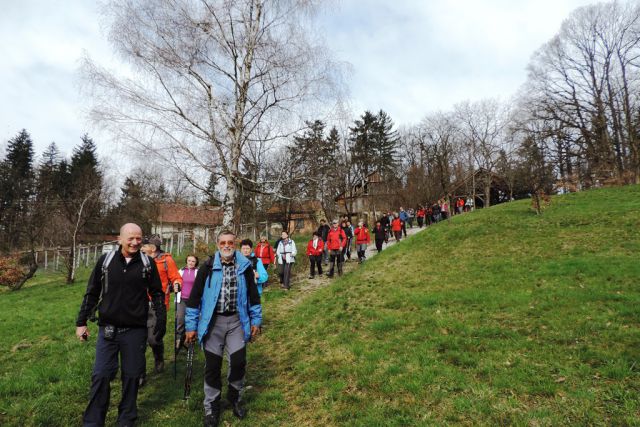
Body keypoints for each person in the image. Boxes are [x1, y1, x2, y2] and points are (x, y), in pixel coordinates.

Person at [76, 223, 165, 426]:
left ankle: (126, 419)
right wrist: (81, 322)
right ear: (120, 239)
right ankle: (93, 421)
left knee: (132, 377)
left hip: (135, 330)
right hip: (108, 329)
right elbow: (92, 292)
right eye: (130, 238)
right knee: (101, 376)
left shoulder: (147, 263)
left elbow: (158, 293)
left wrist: (161, 319)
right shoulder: (105, 261)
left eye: (138, 238)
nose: (135, 242)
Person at [184, 230, 262, 427]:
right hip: (213, 323)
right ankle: (211, 407)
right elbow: (193, 299)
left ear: (234, 245)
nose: (226, 246)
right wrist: (191, 327)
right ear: (217, 244)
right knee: (212, 367)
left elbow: (254, 296)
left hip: (237, 322)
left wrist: (256, 321)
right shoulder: (207, 267)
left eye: (230, 242)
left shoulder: (244, 267)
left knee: (238, 363)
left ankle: (234, 398)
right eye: (223, 243)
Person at [140, 235, 182, 377]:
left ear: (152, 248)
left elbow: (176, 277)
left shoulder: (166, 260)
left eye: (144, 246)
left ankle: (158, 356)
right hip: (139, 304)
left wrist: (177, 284)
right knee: (138, 340)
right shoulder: (140, 259)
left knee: (153, 338)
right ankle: (139, 373)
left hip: (158, 305)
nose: (142, 248)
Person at [177, 254, 199, 352]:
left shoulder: (198, 272)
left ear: (196, 263)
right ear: (186, 261)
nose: (190, 263)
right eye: (189, 260)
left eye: (193, 261)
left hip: (193, 301)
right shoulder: (180, 271)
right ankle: (179, 341)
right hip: (181, 299)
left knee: (192, 321)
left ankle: (190, 343)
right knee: (180, 320)